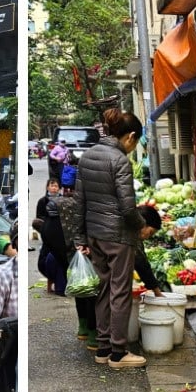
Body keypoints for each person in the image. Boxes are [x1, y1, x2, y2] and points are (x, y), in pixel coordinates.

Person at [71, 106, 150, 371]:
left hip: (95, 235)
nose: (133, 146)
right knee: (120, 292)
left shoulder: (87, 156)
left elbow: (78, 201)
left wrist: (80, 237)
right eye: (135, 141)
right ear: (129, 137)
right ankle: (118, 352)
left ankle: (103, 348)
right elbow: (128, 208)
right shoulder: (120, 162)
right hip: (117, 236)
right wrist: (141, 226)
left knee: (103, 290)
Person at [33, 177, 69, 296]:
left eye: (56, 186)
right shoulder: (42, 202)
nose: (54, 188)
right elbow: (38, 217)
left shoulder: (64, 201)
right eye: (51, 185)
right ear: (47, 187)